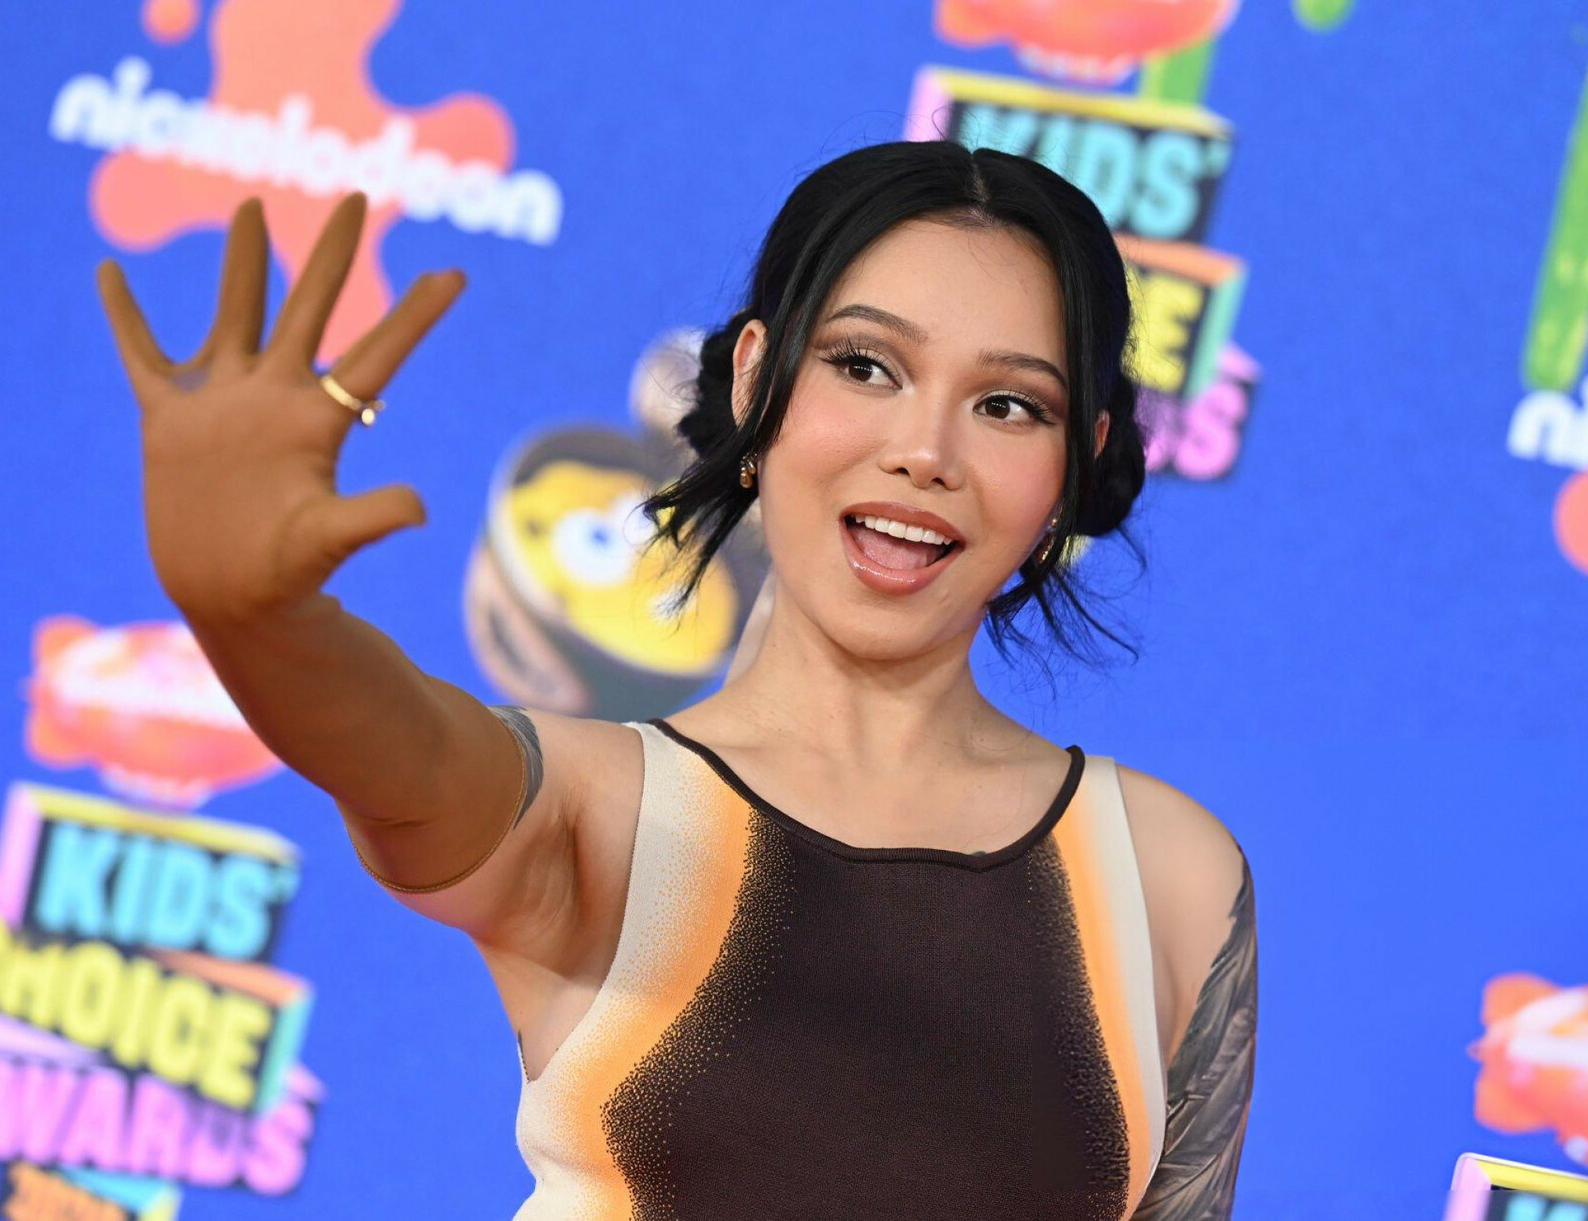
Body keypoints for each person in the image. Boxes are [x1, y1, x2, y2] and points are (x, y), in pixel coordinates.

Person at [96, 138, 1256, 1221]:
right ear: (756, 378)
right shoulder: (598, 810)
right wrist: (259, 621)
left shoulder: (1169, 875)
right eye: (865, 366)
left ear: (1077, 458)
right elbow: (404, 757)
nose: (925, 452)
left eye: (1008, 405)